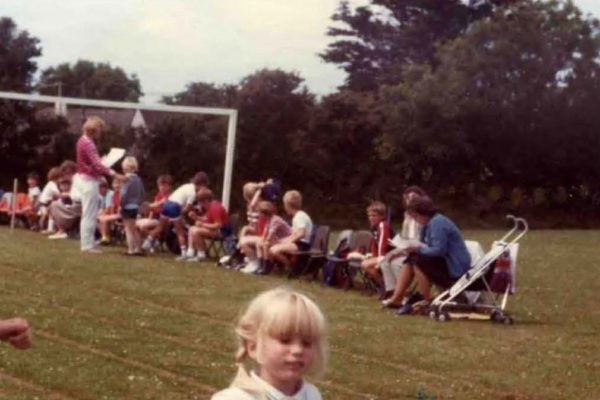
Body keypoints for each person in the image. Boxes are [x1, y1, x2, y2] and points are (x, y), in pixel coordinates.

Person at [211, 287, 327, 400]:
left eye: (306, 343)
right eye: (285, 340)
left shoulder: (311, 394)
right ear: (253, 347)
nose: (298, 350)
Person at [383, 196, 471, 315]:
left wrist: (418, 249)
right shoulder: (428, 223)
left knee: (416, 260)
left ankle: (425, 301)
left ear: (422, 213)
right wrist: (409, 249)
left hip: (454, 267)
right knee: (412, 259)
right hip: (444, 261)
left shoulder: (437, 223)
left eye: (415, 216)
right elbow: (424, 244)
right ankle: (397, 298)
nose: (415, 219)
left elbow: (439, 250)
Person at [73, 116, 124, 253]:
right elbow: (97, 164)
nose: (101, 133)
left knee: (89, 213)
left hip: (86, 178)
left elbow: (93, 163)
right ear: (93, 130)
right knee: (89, 214)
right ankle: (86, 245)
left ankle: (88, 242)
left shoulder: (82, 141)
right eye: (99, 129)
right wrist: (114, 174)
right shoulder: (88, 143)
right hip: (89, 181)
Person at [142, 172, 209, 256]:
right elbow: (187, 208)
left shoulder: (187, 185)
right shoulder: (193, 193)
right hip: (174, 206)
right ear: (202, 184)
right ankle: (184, 251)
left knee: (160, 227)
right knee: (179, 231)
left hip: (167, 203)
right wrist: (180, 214)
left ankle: (147, 241)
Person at [379, 186, 427, 300]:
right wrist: (399, 246)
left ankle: (403, 295)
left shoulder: (423, 215)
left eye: (413, 197)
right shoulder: (406, 215)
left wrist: (403, 250)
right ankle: (392, 292)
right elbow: (405, 235)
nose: (410, 199)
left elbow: (420, 239)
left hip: (416, 249)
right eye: (408, 197)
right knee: (385, 260)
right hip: (406, 246)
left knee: (396, 263)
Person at [267, 190, 313, 275]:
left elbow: (301, 233)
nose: (284, 207)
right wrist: (283, 240)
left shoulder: (300, 216)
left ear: (288, 205)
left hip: (302, 245)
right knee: (274, 245)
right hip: (298, 243)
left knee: (273, 250)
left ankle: (290, 267)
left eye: (284, 204)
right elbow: (294, 234)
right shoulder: (297, 216)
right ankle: (282, 267)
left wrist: (288, 241)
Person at [240, 201, 291, 274]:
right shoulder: (268, 220)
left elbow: (269, 236)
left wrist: (263, 241)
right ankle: (261, 266)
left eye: (259, 212)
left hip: (287, 240)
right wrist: (261, 241)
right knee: (260, 243)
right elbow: (264, 235)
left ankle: (274, 266)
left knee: (265, 244)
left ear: (264, 213)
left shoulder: (275, 220)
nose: (258, 214)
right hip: (279, 240)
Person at [183, 187, 228, 261]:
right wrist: (196, 217)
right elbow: (207, 219)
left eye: (200, 202)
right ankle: (190, 252)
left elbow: (218, 225)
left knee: (196, 231)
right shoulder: (210, 207)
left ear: (205, 201)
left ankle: (201, 254)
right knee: (192, 229)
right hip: (216, 229)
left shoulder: (215, 208)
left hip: (222, 232)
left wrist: (202, 225)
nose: (199, 204)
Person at [360, 201, 394, 294]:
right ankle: (386, 286)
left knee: (365, 264)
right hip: (382, 255)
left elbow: (383, 244)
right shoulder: (374, 227)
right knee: (367, 264)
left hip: (390, 255)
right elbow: (374, 244)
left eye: (374, 216)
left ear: (382, 216)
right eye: (369, 216)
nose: (371, 218)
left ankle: (385, 286)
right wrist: (373, 256)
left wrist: (378, 260)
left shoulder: (383, 225)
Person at [119, 157, 145, 256]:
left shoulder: (126, 179)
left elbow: (123, 194)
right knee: (134, 228)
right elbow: (142, 193)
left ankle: (130, 249)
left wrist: (121, 205)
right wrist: (139, 203)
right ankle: (138, 248)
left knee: (128, 229)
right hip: (135, 206)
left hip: (127, 206)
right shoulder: (138, 179)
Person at [136, 174, 172, 241]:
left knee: (142, 226)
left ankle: (152, 239)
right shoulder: (159, 194)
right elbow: (153, 209)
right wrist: (149, 217)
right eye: (160, 185)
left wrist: (145, 206)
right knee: (136, 225)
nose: (162, 187)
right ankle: (142, 243)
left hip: (163, 220)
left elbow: (156, 205)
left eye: (165, 185)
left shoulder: (169, 196)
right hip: (155, 218)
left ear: (169, 186)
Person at [97, 176, 123, 245]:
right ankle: (105, 237)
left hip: (122, 215)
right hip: (115, 214)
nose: (117, 185)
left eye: (119, 184)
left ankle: (106, 237)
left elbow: (118, 207)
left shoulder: (122, 194)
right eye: (115, 184)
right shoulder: (115, 194)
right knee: (100, 218)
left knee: (103, 218)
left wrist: (109, 215)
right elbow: (112, 206)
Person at [39, 167, 62, 234]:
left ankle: (50, 229)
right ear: (57, 177)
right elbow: (57, 193)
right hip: (44, 203)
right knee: (44, 215)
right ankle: (41, 228)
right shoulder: (52, 184)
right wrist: (61, 195)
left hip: (46, 202)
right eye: (60, 178)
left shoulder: (50, 183)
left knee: (51, 215)